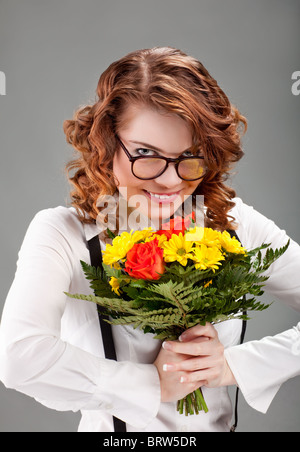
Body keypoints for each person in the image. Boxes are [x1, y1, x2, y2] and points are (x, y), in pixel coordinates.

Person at [0, 47, 299, 433]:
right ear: (106, 145)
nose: (170, 180)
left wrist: (234, 366)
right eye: (145, 153)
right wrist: (148, 384)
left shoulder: (236, 224)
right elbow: (18, 356)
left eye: (189, 155)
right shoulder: (63, 233)